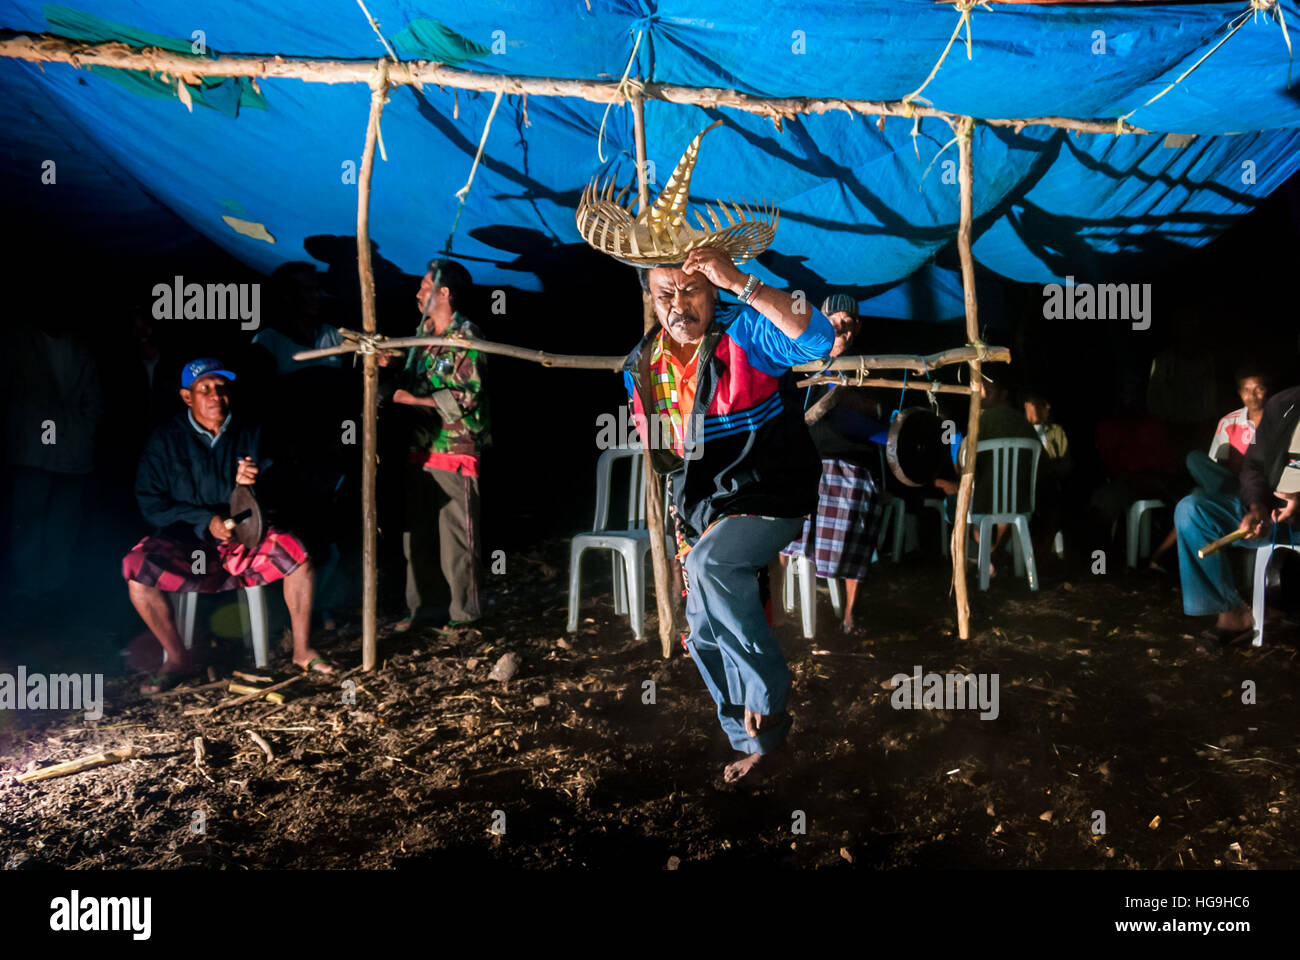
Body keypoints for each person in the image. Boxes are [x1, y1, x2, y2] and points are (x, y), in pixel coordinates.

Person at [623, 247, 834, 783]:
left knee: (714, 564)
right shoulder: (644, 369)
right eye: (664, 294)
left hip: (770, 495)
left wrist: (742, 281)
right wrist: (677, 546)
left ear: (711, 290)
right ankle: (757, 744)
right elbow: (669, 466)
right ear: (650, 298)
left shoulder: (745, 334)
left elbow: (819, 341)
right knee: (699, 630)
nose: (678, 305)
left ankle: (769, 697)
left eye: (691, 289)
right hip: (704, 515)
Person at [121, 358, 334, 692]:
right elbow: (150, 501)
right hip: (189, 542)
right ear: (186, 396)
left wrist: (256, 483)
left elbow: (287, 486)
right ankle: (176, 657)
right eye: (204, 389)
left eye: (221, 388)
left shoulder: (252, 433)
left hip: (244, 542)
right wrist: (205, 520)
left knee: (297, 555)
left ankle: (302, 650)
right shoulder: (165, 441)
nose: (215, 396)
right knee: (136, 569)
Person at [385, 258, 489, 631]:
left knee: (456, 541)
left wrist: (409, 401)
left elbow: (465, 399)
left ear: (444, 293)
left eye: (425, 286)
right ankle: (425, 609)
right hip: (421, 448)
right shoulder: (423, 335)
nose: (418, 293)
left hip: (454, 449)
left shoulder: (464, 336)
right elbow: (418, 380)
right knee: (419, 538)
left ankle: (464, 614)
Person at [781, 294, 884, 633]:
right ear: (820, 322)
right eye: (835, 321)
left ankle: (851, 615)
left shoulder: (866, 366)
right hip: (805, 461)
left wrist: (847, 393)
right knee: (782, 512)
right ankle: (783, 602)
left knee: (856, 508)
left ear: (857, 329)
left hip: (851, 465)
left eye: (848, 323)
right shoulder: (800, 357)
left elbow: (878, 413)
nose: (842, 329)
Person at [1174, 382, 1299, 643]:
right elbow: (1254, 464)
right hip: (1271, 514)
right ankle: (1232, 613)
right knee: (1191, 510)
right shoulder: (1283, 404)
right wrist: (1256, 505)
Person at [3, 316, 103, 607]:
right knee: (28, 522)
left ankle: (52, 588)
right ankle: (27, 587)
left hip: (72, 454)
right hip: (32, 452)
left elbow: (94, 400)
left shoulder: (79, 349)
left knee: (63, 523)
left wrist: (82, 431)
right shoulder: (20, 343)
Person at [1147, 367, 1270, 572]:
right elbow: (1216, 470)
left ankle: (1159, 555)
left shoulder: (1279, 424)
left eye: (1259, 389)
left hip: (1260, 494)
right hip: (1230, 488)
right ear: (1239, 393)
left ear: (1268, 391)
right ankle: (1162, 557)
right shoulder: (1229, 422)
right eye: (1247, 390)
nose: (1253, 396)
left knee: (1196, 497)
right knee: (1194, 460)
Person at [935, 372, 1038, 578]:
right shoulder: (1026, 426)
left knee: (962, 502)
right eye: (979, 392)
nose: (981, 397)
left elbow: (962, 467)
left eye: (987, 392)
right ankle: (991, 556)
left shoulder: (979, 426)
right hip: (1021, 503)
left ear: (1003, 394)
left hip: (985, 505)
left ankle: (979, 558)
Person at [1023, 387, 1072, 558]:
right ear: (1028, 406)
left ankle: (1045, 551)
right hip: (1024, 486)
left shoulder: (1056, 431)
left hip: (1048, 484)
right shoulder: (1020, 431)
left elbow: (1066, 465)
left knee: (1054, 499)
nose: (1048, 407)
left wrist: (1050, 468)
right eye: (1042, 404)